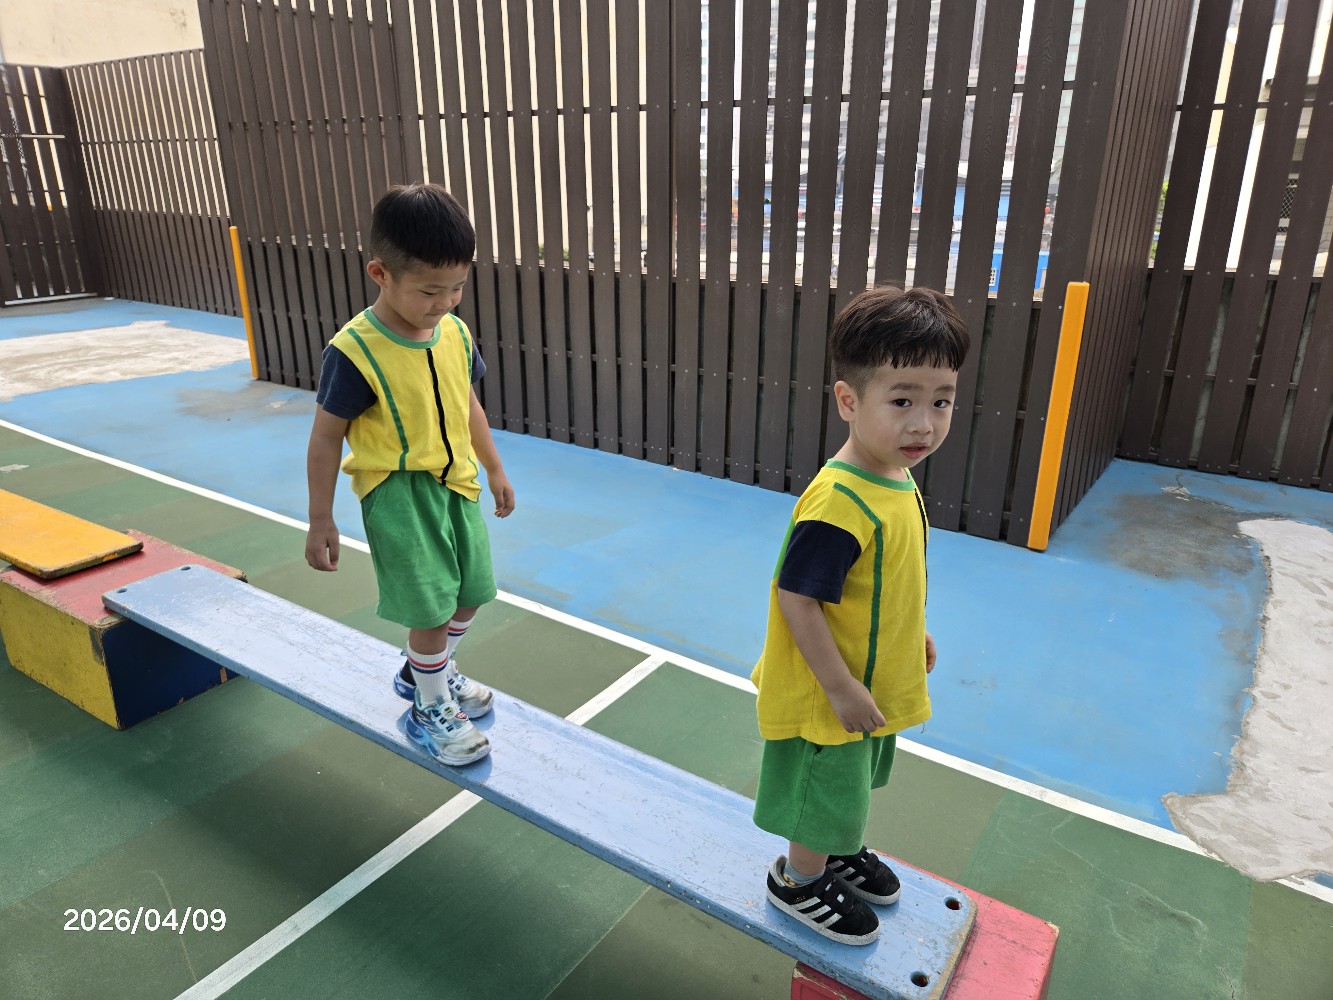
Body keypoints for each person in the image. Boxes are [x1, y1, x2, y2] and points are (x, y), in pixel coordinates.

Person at [751, 285, 970, 945]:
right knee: (824, 787)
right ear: (848, 401)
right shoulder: (840, 501)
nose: (923, 424)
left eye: (941, 401)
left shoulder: (894, 477)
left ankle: (834, 846)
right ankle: (799, 878)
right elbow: (798, 597)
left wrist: (910, 633)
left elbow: (883, 581)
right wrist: (840, 686)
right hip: (830, 689)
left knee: (849, 785)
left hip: (867, 675)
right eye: (902, 401)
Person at [305, 183, 515, 766]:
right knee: (430, 610)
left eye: (457, 287)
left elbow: (467, 403)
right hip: (398, 493)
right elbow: (325, 437)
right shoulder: (355, 350)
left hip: (457, 483)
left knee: (471, 595)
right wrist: (320, 518)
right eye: (429, 290)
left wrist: (495, 467)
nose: (445, 302)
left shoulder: (455, 333)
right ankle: (428, 706)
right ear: (380, 273)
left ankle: (424, 674)